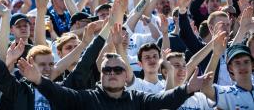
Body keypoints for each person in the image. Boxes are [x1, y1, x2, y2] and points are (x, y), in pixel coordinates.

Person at [18, 52, 212, 110]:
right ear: (101, 74)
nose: (112, 72)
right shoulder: (86, 98)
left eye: (117, 69)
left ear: (126, 75)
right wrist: (38, 80)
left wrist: (188, 88)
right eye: (107, 69)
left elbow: (163, 100)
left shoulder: (138, 99)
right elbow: (58, 93)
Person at [202, 44, 254, 110]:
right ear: (230, 68)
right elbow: (205, 88)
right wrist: (215, 55)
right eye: (237, 63)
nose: (242, 67)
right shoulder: (226, 93)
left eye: (246, 62)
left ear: (252, 65)